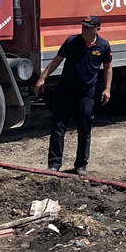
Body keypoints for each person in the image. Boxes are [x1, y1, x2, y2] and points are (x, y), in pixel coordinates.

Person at [35, 15, 112, 176]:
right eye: (83, 26)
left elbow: (107, 68)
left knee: (84, 129)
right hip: (65, 92)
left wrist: (107, 89)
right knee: (58, 128)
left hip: (85, 95)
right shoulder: (71, 42)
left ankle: (81, 165)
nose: (84, 30)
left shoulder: (103, 46)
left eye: (88, 27)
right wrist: (42, 78)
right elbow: (57, 60)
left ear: (97, 29)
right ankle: (54, 164)